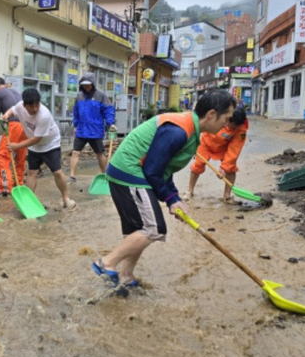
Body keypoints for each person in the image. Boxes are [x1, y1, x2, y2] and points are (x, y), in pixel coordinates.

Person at [92, 90, 235, 291]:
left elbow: (165, 170)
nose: (227, 125)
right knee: (154, 228)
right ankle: (106, 263)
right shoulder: (178, 131)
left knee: (138, 230)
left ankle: (125, 275)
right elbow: (153, 170)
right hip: (129, 172)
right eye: (226, 118)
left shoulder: (191, 132)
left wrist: (173, 198)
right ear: (211, 114)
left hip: (130, 172)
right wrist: (170, 199)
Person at [2, 88, 76, 210]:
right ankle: (30, 202)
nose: (35, 109)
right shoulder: (20, 106)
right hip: (34, 146)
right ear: (25, 105)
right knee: (32, 173)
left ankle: (66, 198)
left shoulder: (44, 115)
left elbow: (36, 139)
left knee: (57, 172)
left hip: (50, 144)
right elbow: (12, 110)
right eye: (31, 106)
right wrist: (6, 115)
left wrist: (16, 146)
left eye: (37, 105)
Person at [187, 105, 249, 202]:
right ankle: (190, 191)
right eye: (231, 124)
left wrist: (224, 167)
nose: (232, 127)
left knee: (231, 169)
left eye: (235, 126)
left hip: (224, 147)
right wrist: (193, 143)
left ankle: (227, 195)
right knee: (197, 165)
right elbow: (200, 126)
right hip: (206, 144)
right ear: (228, 119)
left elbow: (234, 149)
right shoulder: (218, 118)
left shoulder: (241, 129)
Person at [69, 72, 115, 182]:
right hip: (81, 130)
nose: (86, 86)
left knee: (99, 154)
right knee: (75, 152)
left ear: (93, 84)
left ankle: (104, 175)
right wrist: (75, 124)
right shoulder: (79, 96)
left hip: (95, 130)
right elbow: (76, 112)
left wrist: (110, 123)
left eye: (88, 84)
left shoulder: (101, 96)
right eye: (84, 84)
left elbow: (108, 110)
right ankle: (72, 176)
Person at [0, 76, 26, 195]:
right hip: (25, 126)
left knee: (2, 155)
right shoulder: (15, 92)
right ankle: (18, 183)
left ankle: (5, 187)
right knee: (20, 155)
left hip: (12, 124)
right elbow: (1, 116)